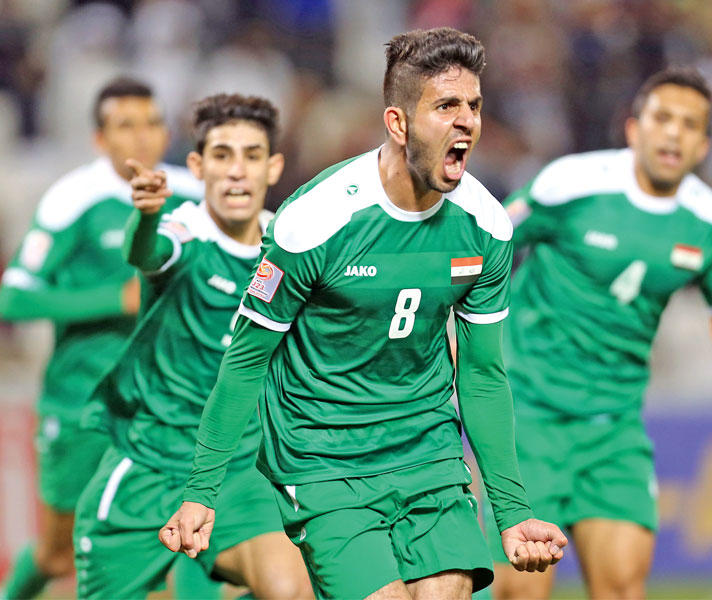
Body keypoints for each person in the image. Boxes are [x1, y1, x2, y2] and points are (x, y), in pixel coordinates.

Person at [159, 27, 568, 600]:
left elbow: (481, 374)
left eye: (474, 106)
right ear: (398, 123)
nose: (466, 122)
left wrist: (512, 509)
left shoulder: (486, 226)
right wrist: (202, 491)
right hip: (324, 461)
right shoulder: (315, 221)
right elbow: (247, 361)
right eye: (446, 106)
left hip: (427, 454)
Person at [487, 66, 712, 600]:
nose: (674, 133)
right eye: (663, 118)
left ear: (704, 146)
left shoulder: (711, 226)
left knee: (621, 587)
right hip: (528, 414)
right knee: (518, 591)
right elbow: (488, 242)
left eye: (689, 124)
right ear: (634, 128)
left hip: (614, 426)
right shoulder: (571, 184)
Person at [71, 93, 313, 600]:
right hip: (152, 465)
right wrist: (146, 217)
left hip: (237, 471)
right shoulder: (184, 230)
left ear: (272, 167)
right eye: (222, 155)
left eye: (251, 155)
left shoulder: (293, 246)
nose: (237, 171)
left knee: (290, 590)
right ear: (199, 167)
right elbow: (149, 253)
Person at [0, 76, 210, 600]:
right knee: (57, 554)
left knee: (180, 543)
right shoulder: (75, 198)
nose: (142, 135)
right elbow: (14, 298)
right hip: (82, 399)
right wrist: (114, 298)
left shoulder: (191, 195)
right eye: (125, 125)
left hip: (165, 404)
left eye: (152, 123)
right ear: (99, 138)